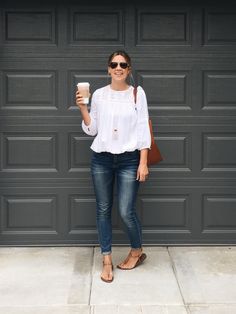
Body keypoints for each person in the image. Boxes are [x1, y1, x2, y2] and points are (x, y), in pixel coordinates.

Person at [76, 50, 151, 283]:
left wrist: (143, 162)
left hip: (129, 160)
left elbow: (142, 129)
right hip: (102, 159)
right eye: (114, 64)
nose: (118, 68)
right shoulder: (98, 94)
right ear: (108, 69)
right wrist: (82, 108)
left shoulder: (137, 94)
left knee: (126, 210)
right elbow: (92, 130)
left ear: (129, 69)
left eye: (123, 64)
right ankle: (106, 259)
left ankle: (137, 251)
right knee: (103, 209)